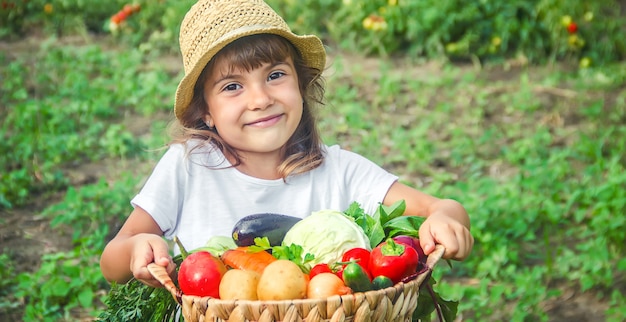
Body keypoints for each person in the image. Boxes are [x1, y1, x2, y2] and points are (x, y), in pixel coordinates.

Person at [100, 0, 473, 288]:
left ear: (300, 83)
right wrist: (137, 249)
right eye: (232, 86)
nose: (260, 99)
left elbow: (438, 207)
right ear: (206, 111)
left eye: (275, 75)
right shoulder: (188, 165)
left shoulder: (339, 171)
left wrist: (446, 218)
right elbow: (113, 259)